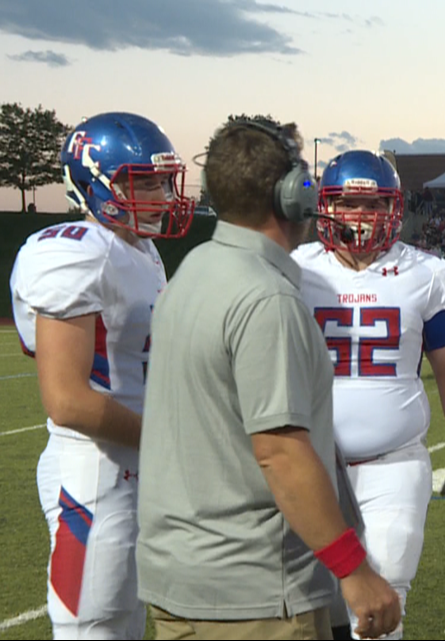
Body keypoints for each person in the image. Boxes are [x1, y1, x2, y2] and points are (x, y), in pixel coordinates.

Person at [135, 119, 400, 640]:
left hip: (177, 579)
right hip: (252, 591)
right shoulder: (266, 299)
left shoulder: (192, 268)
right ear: (293, 195)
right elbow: (280, 451)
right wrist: (354, 568)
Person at [9, 111, 193, 640]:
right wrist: (170, 439)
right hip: (94, 469)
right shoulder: (71, 252)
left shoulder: (140, 249)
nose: (160, 195)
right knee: (93, 624)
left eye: (162, 180)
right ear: (95, 182)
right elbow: (65, 398)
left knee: (129, 622)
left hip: (137, 464)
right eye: (145, 183)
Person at [292, 149, 445, 639]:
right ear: (326, 208)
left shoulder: (423, 272)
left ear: (393, 208)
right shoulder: (295, 271)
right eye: (350, 204)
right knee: (309, 609)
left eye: (375, 204)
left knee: (383, 601)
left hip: (392, 463)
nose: (362, 215)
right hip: (311, 467)